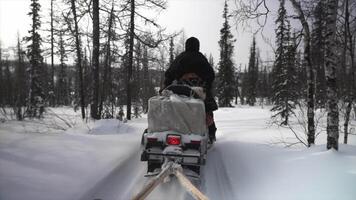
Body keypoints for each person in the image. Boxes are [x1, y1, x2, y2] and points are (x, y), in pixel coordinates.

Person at [162, 37, 218, 143]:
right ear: (197, 46)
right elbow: (211, 74)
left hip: (180, 87)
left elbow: (169, 74)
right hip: (198, 88)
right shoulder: (200, 57)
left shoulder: (181, 57)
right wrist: (207, 86)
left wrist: (165, 86)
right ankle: (211, 133)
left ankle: (171, 127)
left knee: (173, 105)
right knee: (208, 108)